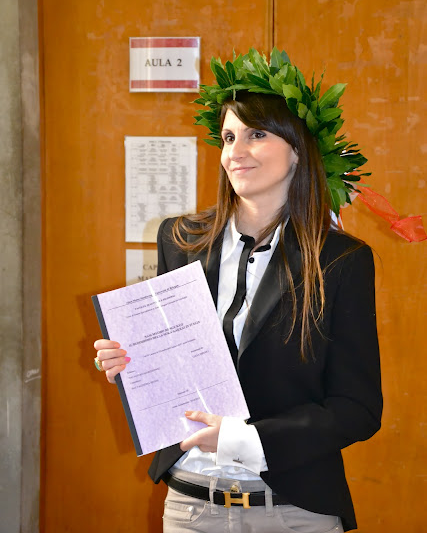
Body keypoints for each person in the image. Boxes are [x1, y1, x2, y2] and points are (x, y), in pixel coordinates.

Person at [94, 48, 382, 533]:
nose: (235, 152)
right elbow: (175, 366)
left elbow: (358, 409)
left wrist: (246, 440)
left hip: (293, 511)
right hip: (189, 507)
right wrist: (131, 363)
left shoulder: (340, 260)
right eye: (229, 137)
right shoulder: (179, 239)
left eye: (256, 134)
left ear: (298, 149)